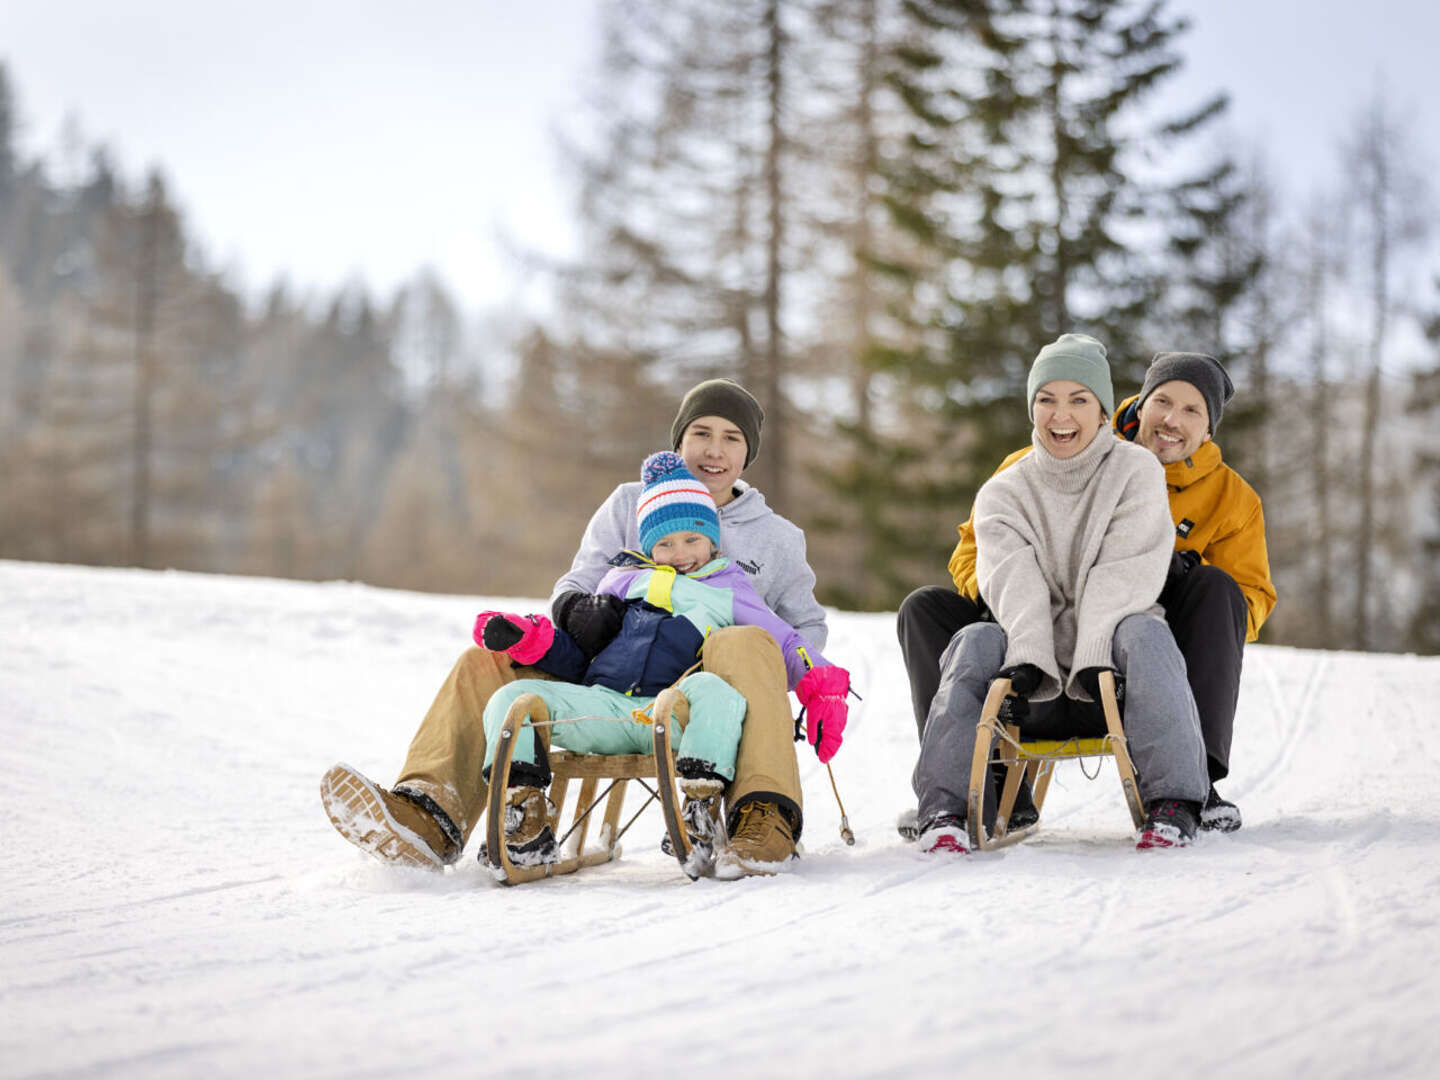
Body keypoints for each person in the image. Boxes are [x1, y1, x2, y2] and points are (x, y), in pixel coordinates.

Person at [321, 378, 831, 876]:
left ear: (748, 454)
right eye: (701, 432)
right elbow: (577, 580)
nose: (713, 450)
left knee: (741, 640)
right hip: (609, 674)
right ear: (679, 440)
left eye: (731, 437)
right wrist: (576, 611)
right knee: (486, 661)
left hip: (710, 691)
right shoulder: (630, 504)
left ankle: (765, 816)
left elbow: (804, 625)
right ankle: (429, 815)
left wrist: (800, 674)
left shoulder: (776, 538)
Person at [899, 350, 1275, 832]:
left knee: (1213, 587)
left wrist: (1164, 580)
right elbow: (971, 549)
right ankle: (978, 784)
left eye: (1191, 411)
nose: (1170, 420)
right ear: (1137, 404)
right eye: (1162, 401)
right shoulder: (1043, 459)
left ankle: (1193, 778)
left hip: (1143, 644)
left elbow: (1251, 596)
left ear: (1208, 430)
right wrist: (1005, 599)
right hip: (1035, 628)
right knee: (924, 608)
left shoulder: (1231, 498)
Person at [473, 450, 849, 877]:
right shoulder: (622, 582)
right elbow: (580, 651)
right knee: (513, 698)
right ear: (648, 546)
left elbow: (783, 640)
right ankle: (524, 815)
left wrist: (821, 683)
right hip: (602, 708)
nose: (680, 552)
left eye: (692, 539)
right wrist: (531, 639)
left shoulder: (729, 588)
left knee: (718, 694)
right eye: (665, 543)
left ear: (712, 539)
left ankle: (700, 805)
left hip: (674, 711)